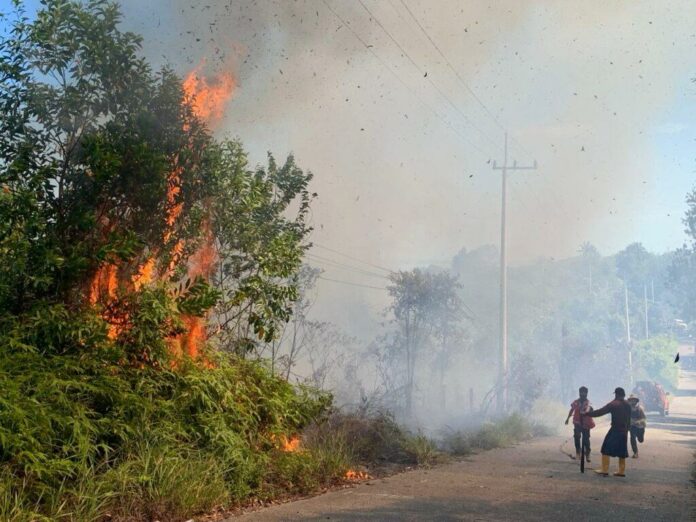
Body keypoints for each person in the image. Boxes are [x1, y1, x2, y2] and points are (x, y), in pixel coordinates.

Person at [586, 387, 631, 477]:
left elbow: (600, 412)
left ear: (616, 394)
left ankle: (604, 470)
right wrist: (627, 429)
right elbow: (629, 418)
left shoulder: (614, 404)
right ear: (624, 395)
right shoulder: (627, 404)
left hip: (615, 429)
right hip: (624, 430)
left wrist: (588, 414)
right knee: (622, 450)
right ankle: (621, 471)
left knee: (605, 448)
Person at [564, 386, 595, 462]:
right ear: (579, 393)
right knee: (577, 436)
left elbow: (590, 408)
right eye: (582, 392)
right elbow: (572, 410)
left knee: (586, 439)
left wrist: (587, 411)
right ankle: (578, 451)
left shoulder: (588, 402)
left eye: (585, 393)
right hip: (577, 422)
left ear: (587, 394)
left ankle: (587, 453)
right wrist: (568, 418)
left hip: (586, 423)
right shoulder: (576, 402)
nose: (583, 394)